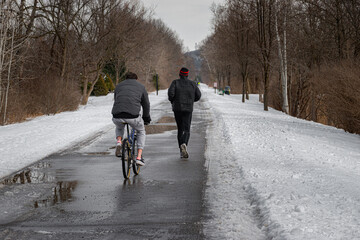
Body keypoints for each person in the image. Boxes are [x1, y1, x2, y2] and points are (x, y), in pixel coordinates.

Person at [112, 72, 151, 166]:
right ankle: (139, 157)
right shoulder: (141, 87)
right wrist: (146, 118)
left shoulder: (118, 86)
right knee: (141, 131)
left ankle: (119, 141)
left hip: (117, 115)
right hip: (132, 116)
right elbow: (146, 104)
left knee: (119, 126)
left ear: (126, 78)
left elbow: (116, 99)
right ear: (136, 79)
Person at [168, 67, 201, 158]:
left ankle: (181, 149)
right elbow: (198, 95)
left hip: (177, 108)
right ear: (187, 75)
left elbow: (170, 94)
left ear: (180, 74)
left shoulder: (175, 82)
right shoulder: (192, 84)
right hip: (188, 109)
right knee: (187, 129)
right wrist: (191, 101)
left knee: (180, 129)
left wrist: (173, 101)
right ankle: (184, 144)